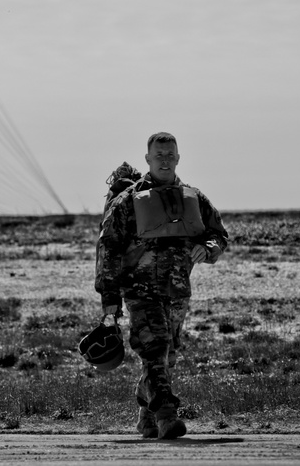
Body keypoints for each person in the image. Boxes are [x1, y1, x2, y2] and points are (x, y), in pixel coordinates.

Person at [95, 132, 229, 439]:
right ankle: (167, 415)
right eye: (159, 155)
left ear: (178, 158)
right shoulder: (127, 202)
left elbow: (219, 233)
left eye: (170, 155)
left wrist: (208, 248)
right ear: (148, 160)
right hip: (140, 291)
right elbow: (110, 249)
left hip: (177, 289)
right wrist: (110, 301)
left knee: (167, 356)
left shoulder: (193, 198)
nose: (165, 160)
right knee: (154, 347)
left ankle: (147, 417)